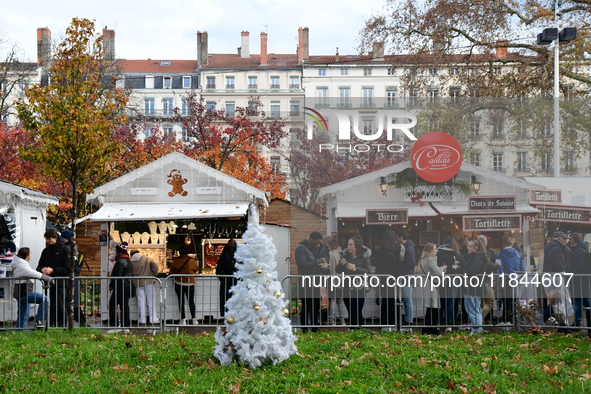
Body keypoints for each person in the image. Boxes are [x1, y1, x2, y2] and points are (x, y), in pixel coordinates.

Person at [37, 229, 71, 327]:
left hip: (61, 283)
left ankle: (63, 326)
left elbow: (68, 269)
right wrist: (42, 269)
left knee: (61, 306)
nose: (48, 241)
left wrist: (53, 270)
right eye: (47, 239)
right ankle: (51, 325)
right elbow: (39, 266)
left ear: (55, 238)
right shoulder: (46, 251)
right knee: (50, 305)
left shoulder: (64, 249)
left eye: (49, 239)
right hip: (49, 283)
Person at [295, 231, 328, 332]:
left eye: (320, 244)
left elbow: (312, 266)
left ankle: (314, 327)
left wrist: (321, 268)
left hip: (314, 281)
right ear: (311, 240)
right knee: (306, 305)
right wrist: (317, 262)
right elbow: (302, 265)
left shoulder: (312, 249)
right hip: (305, 281)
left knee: (315, 305)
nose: (318, 246)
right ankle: (304, 328)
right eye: (317, 243)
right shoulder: (301, 249)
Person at [336, 236, 372, 328]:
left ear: (356, 247)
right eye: (348, 244)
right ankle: (353, 328)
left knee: (357, 309)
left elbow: (367, 271)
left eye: (350, 245)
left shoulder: (364, 257)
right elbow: (337, 269)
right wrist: (341, 264)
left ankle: (358, 328)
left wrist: (355, 269)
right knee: (350, 308)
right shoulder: (345, 256)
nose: (348, 247)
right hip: (347, 286)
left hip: (359, 286)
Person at [453, 239, 487, 335]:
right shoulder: (475, 258)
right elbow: (469, 270)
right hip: (471, 287)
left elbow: (471, 271)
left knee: (474, 309)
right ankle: (476, 329)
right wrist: (461, 268)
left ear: (476, 248)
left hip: (473, 288)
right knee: (472, 309)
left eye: (470, 246)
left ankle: (477, 330)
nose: (468, 248)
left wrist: (458, 271)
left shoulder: (477, 258)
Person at [374, 229, 406, 327]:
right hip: (396, 277)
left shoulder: (381, 248)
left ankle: (384, 322)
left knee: (385, 300)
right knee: (395, 300)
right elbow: (402, 260)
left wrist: (376, 276)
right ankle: (395, 322)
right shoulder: (400, 247)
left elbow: (378, 264)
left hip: (384, 278)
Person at [12, 247, 51, 329]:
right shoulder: (22, 266)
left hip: (20, 291)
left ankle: (20, 331)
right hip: (24, 292)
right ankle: (39, 320)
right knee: (45, 299)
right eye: (31, 253)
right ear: (27, 256)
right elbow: (34, 273)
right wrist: (48, 278)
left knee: (23, 313)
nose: (31, 254)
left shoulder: (20, 263)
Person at [60, 229, 89, 327]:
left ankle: (82, 322)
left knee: (71, 304)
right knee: (73, 304)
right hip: (73, 279)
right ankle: (82, 322)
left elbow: (75, 268)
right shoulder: (77, 252)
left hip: (70, 280)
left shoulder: (68, 250)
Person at [437, 236, 465, 330]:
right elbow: (463, 265)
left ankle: (439, 321)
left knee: (441, 300)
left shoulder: (439, 252)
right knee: (451, 301)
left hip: (442, 277)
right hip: (454, 278)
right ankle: (449, 323)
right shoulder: (457, 253)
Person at [497, 236, 525, 326]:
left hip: (506, 279)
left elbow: (500, 268)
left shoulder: (501, 254)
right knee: (515, 300)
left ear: (503, 243)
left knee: (506, 300)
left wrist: (501, 281)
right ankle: (514, 319)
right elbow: (522, 270)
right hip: (516, 280)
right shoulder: (519, 255)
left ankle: (506, 320)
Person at [419, 243, 445, 335]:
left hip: (426, 284)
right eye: (435, 248)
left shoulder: (423, 259)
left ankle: (426, 329)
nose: (436, 250)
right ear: (430, 250)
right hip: (431, 285)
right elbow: (438, 272)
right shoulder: (431, 260)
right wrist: (443, 270)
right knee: (433, 307)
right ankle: (432, 329)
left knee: (429, 308)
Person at [169, 245, 199, 325]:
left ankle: (183, 319)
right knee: (191, 301)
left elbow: (171, 272)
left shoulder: (176, 260)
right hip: (190, 282)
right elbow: (196, 269)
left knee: (181, 301)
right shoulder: (191, 260)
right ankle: (194, 319)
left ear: (179, 252)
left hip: (179, 282)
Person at [130, 250, 160, 325]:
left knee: (141, 301)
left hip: (137, 282)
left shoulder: (131, 261)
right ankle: (153, 318)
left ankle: (142, 319)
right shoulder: (147, 258)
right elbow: (155, 266)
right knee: (151, 301)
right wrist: (154, 275)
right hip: (148, 281)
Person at [109, 242, 134, 327]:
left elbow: (116, 276)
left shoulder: (120, 262)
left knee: (112, 304)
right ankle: (125, 324)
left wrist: (111, 286)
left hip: (120, 287)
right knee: (124, 306)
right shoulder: (128, 261)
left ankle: (114, 324)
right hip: (127, 286)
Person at [568, 233, 590, 328]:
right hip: (585, 280)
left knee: (578, 301)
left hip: (578, 280)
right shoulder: (585, 249)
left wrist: (571, 273)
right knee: (585, 301)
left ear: (573, 239)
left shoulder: (577, 251)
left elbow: (579, 266)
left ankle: (577, 321)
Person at [396, 230, 415, 326]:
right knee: (406, 298)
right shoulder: (408, 247)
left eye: (397, 237)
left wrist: (399, 268)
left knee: (407, 299)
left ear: (401, 237)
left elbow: (412, 263)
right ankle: (408, 318)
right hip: (406, 276)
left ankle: (409, 320)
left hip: (406, 276)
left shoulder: (408, 248)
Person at [327, 239, 347, 325]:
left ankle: (331, 319)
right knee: (340, 301)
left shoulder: (331, 254)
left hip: (333, 280)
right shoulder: (341, 254)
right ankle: (342, 319)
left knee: (332, 300)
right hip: (340, 280)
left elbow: (331, 269)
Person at [477, 234, 496, 324]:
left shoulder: (474, 253)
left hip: (477, 281)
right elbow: (490, 266)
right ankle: (479, 319)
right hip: (486, 280)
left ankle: (479, 320)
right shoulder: (487, 253)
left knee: (480, 302)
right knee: (490, 302)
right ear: (485, 242)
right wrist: (497, 265)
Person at [216, 239, 238, 318]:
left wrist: (221, 278)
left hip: (225, 279)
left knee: (225, 297)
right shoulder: (238, 255)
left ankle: (225, 314)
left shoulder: (223, 255)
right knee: (236, 297)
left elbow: (218, 270)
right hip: (236, 279)